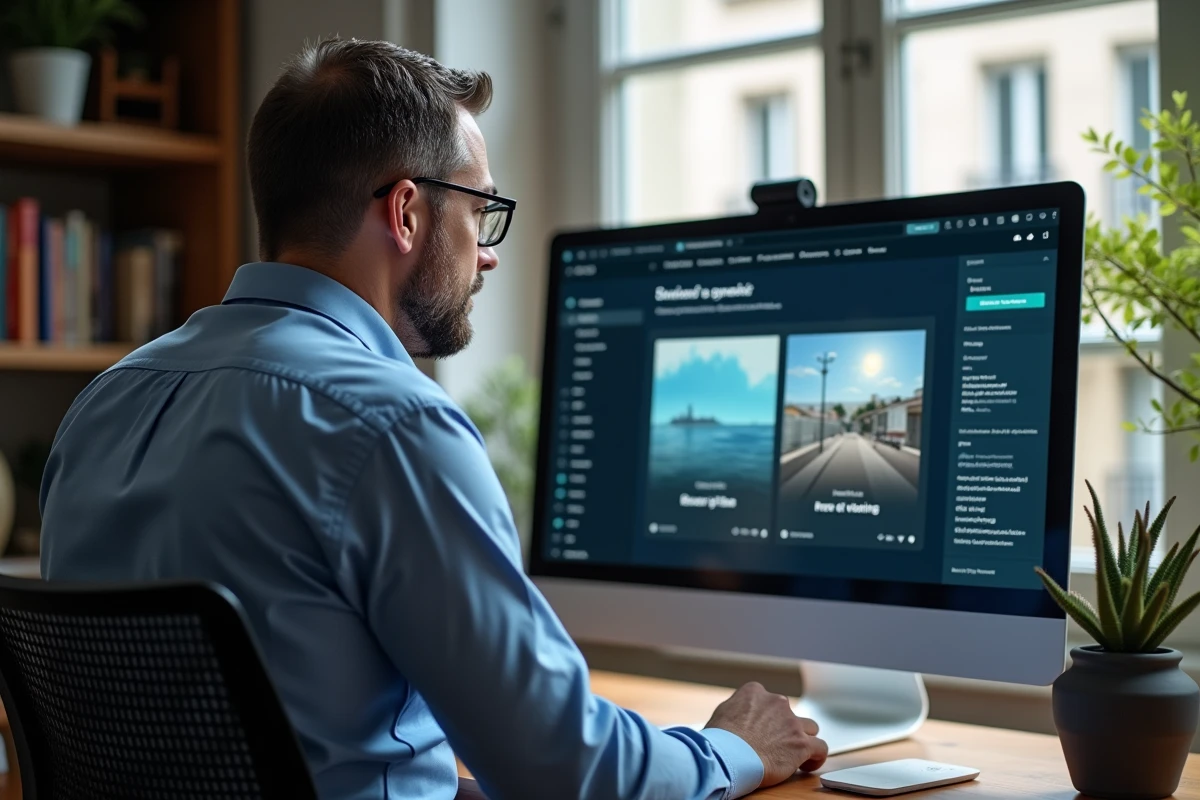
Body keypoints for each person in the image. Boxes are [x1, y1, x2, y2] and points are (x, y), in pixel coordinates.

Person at [38, 38, 828, 800]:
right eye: (480, 208)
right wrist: (736, 748)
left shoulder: (105, 402)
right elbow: (573, 774)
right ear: (407, 212)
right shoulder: (389, 424)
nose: (487, 253)